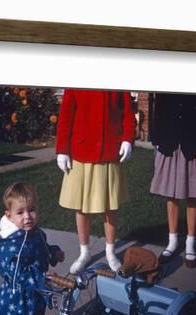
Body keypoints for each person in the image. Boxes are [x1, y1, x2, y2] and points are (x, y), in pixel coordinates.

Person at [55, 89, 136, 273]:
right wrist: (62, 149)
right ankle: (84, 252)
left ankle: (110, 251)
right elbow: (66, 115)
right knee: (82, 206)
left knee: (110, 205)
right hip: (81, 150)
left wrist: (127, 138)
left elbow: (128, 112)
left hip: (109, 149)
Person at [149, 92, 196, 268]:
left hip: (193, 142)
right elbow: (158, 107)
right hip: (169, 140)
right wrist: (156, 138)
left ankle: (190, 242)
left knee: (192, 194)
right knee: (171, 194)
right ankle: (173, 240)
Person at [0, 182, 65, 315]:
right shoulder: (10, 245)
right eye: (20, 212)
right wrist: (42, 276)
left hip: (35, 294)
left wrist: (54, 253)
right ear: (9, 216)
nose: (27, 216)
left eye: (32, 210)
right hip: (18, 302)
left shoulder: (34, 232)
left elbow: (41, 248)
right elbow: (16, 274)